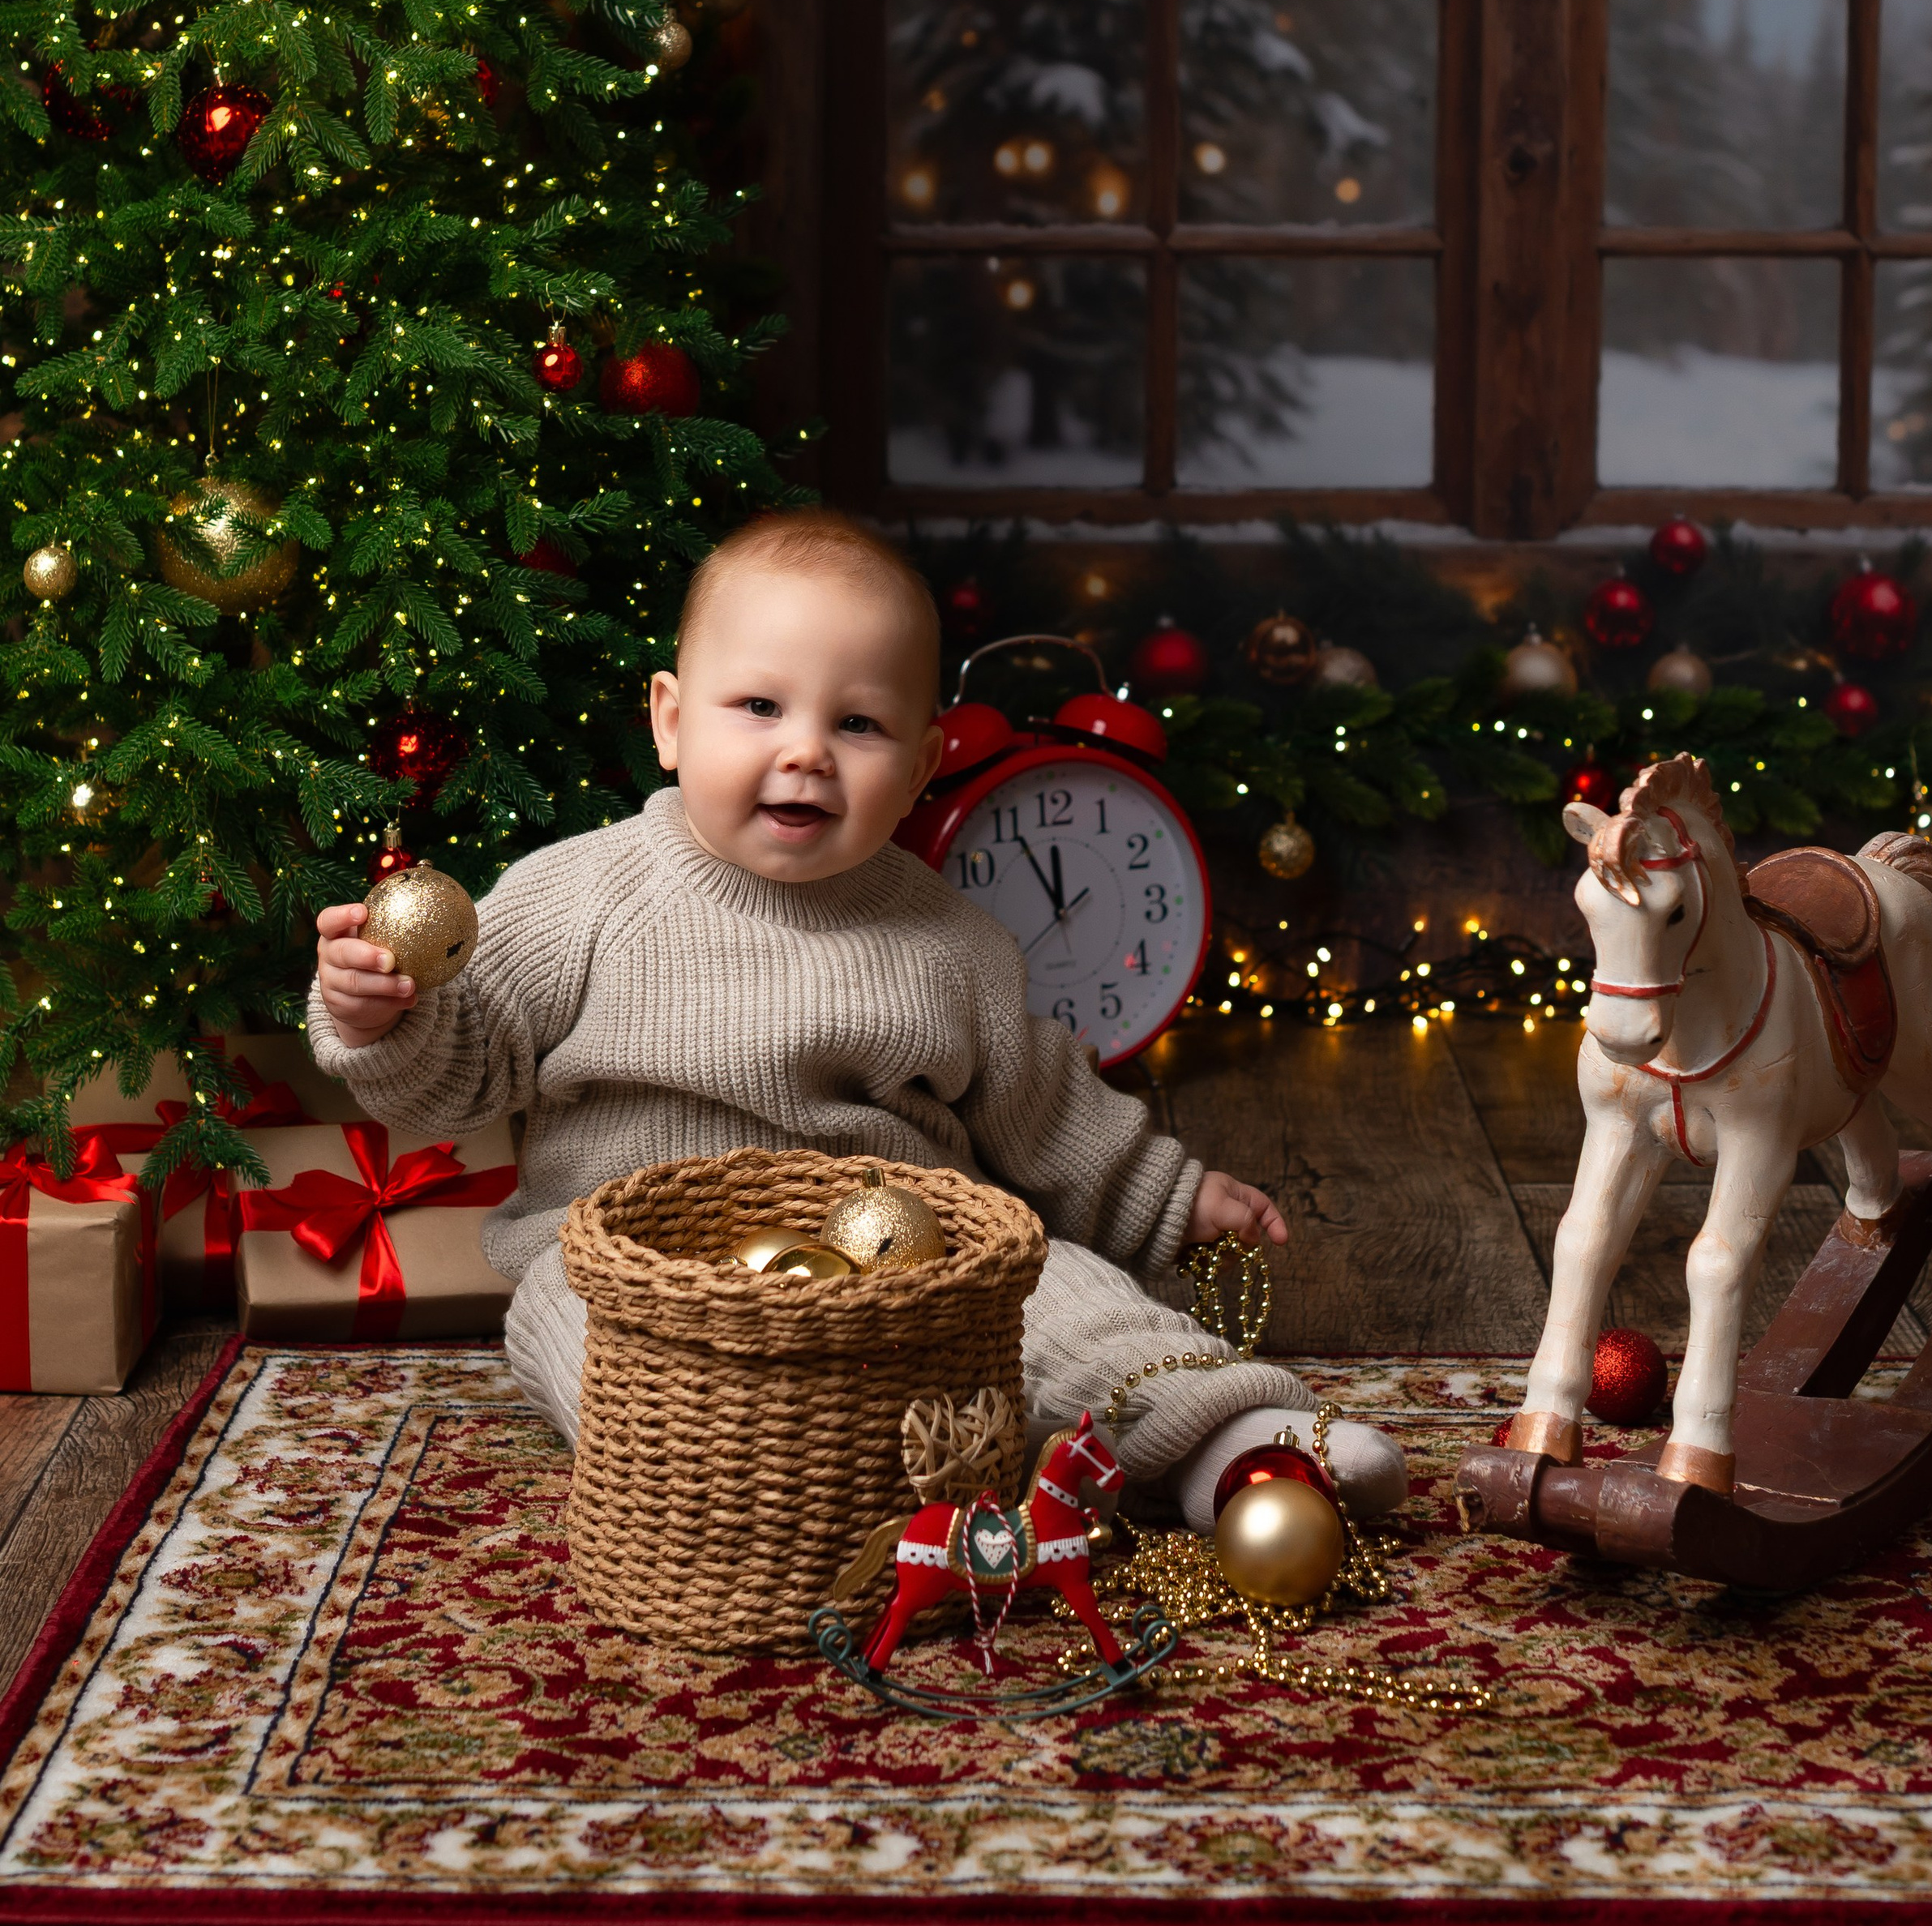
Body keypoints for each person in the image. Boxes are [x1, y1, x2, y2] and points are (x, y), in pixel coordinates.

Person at [311, 509, 1406, 1528]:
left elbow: (1044, 1117)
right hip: (637, 1265)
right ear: (671, 721)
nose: (806, 752)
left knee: (1059, 1296)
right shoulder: (585, 894)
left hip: (905, 1261)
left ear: (924, 766)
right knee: (585, 1335)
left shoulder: (948, 942)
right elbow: (471, 1062)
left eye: (859, 723)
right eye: (759, 707)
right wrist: (387, 1018)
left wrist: (1171, 1194)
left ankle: (1233, 1443)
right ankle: (724, 1480)